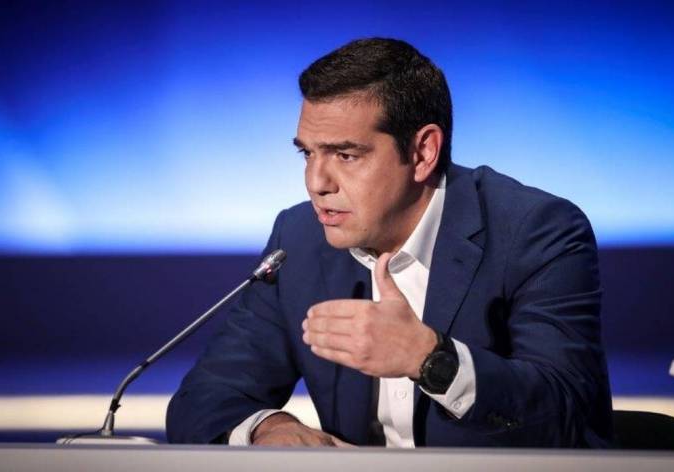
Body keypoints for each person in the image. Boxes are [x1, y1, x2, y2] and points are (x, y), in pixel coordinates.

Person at [166, 37, 613, 448]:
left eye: (345, 155)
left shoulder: (535, 231)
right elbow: (204, 398)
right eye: (308, 153)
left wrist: (429, 358)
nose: (316, 183)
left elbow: (570, 415)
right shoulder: (299, 238)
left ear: (422, 152)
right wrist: (270, 428)